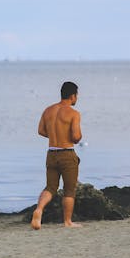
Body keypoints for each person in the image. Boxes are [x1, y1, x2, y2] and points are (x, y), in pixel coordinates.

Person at [31, 81, 83, 229]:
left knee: (50, 187)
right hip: (67, 154)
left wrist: (56, 136)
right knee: (69, 189)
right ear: (73, 96)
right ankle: (67, 221)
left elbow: (41, 131)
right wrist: (73, 137)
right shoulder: (74, 113)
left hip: (51, 154)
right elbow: (76, 136)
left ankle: (39, 209)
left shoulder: (48, 110)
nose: (76, 98)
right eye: (76, 95)